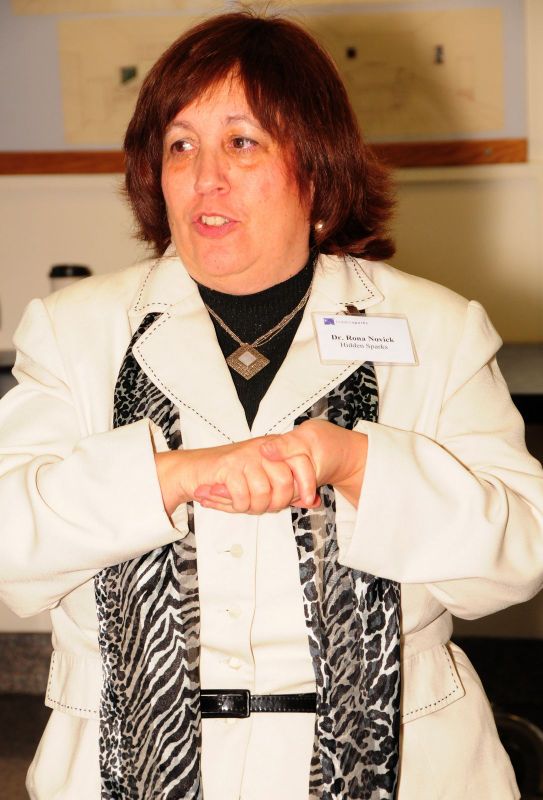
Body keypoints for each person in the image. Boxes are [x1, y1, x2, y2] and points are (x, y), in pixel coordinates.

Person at [0, 10, 542, 800]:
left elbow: (520, 552)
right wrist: (172, 475)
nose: (204, 177)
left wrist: (356, 464)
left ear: (316, 168)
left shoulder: (434, 328)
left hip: (402, 771)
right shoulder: (73, 330)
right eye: (179, 145)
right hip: (122, 771)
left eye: (242, 142)